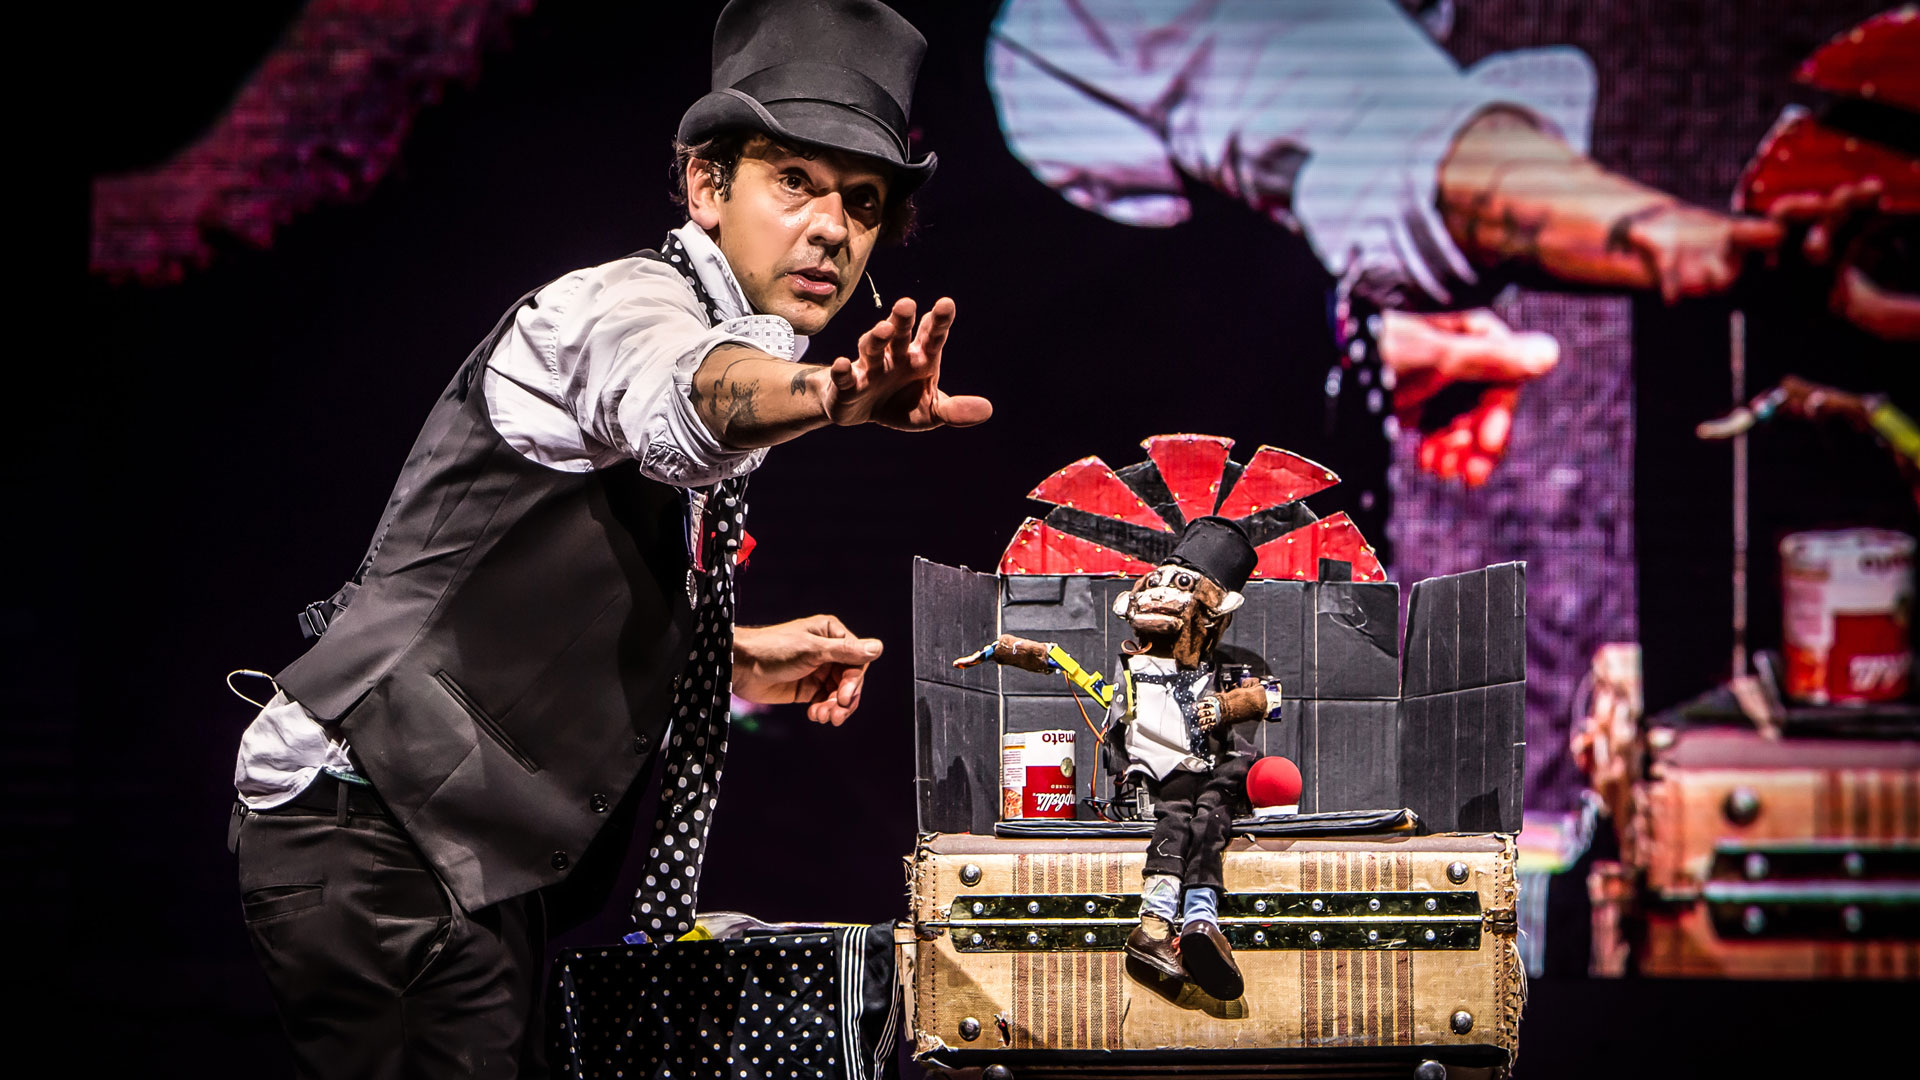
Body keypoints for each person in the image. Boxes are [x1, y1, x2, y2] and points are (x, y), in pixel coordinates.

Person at [227, 2, 989, 1076]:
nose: (831, 228)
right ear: (705, 185)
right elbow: (685, 400)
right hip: (378, 826)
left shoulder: (742, 336)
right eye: (795, 183)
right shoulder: (618, 311)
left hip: (464, 856)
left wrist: (726, 657)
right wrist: (829, 394)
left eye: (862, 204)